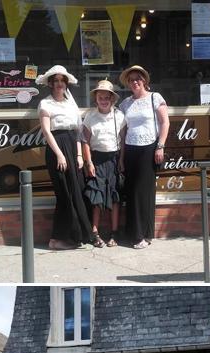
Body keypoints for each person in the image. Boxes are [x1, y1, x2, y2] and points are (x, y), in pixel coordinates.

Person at [36, 65, 93, 251]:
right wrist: (60, 154)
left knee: (76, 192)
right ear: (51, 83)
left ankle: (75, 237)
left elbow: (77, 130)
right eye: (56, 80)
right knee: (64, 195)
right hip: (56, 149)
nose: (60, 84)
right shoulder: (45, 104)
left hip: (71, 145)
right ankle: (57, 239)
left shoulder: (70, 102)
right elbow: (46, 131)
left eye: (62, 80)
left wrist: (78, 154)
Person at [119, 65, 169, 249]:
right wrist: (122, 158)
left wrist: (160, 146)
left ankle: (145, 233)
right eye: (131, 79)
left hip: (149, 149)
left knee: (144, 192)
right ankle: (135, 233)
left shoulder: (155, 98)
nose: (134, 82)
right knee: (131, 192)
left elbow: (165, 122)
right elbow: (122, 134)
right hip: (131, 150)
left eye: (138, 78)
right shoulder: (125, 104)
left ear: (144, 80)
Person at [82, 79, 124, 247]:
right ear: (96, 99)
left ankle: (114, 233)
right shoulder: (90, 116)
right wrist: (89, 162)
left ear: (112, 99)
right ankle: (95, 233)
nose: (104, 100)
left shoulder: (119, 116)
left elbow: (124, 140)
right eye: (101, 97)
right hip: (97, 160)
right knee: (96, 198)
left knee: (114, 198)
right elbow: (85, 141)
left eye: (107, 97)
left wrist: (121, 160)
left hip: (114, 159)